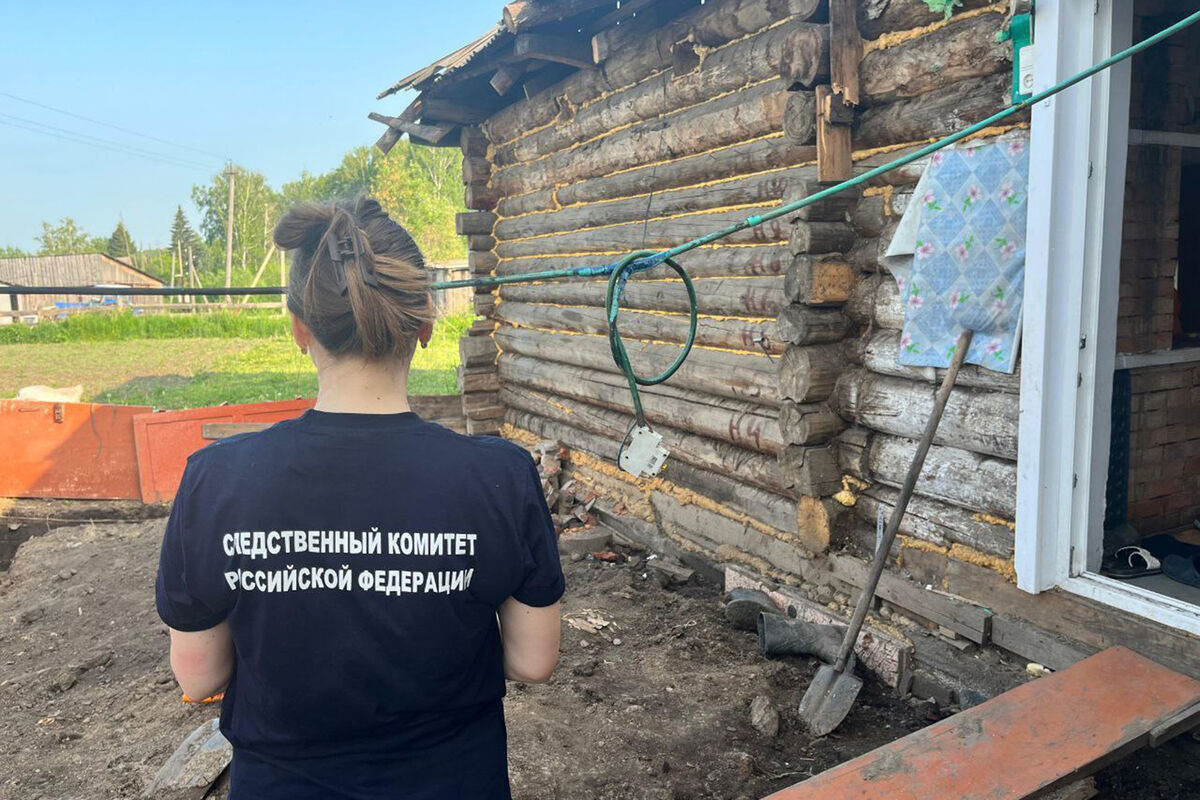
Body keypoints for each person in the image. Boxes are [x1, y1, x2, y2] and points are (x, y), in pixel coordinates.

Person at [155, 197, 564, 799]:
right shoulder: (498, 475)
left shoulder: (216, 479)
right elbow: (533, 661)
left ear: (299, 329)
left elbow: (199, 678)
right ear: (425, 325)